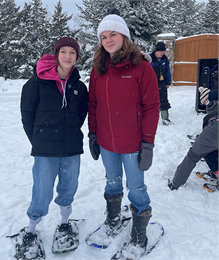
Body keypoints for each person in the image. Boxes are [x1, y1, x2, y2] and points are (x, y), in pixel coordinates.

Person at [87, 9, 160, 259]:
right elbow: (93, 104)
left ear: (124, 36)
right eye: (103, 36)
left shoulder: (141, 67)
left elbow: (152, 106)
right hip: (107, 142)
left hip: (133, 144)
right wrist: (92, 134)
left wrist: (148, 144)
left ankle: (139, 234)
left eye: (113, 34)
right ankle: (114, 217)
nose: (108, 40)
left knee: (136, 188)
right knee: (112, 182)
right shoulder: (98, 69)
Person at [20, 37, 88, 251]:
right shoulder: (36, 83)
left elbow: (81, 114)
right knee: (42, 191)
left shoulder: (79, 86)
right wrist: (38, 139)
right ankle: (31, 230)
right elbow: (27, 115)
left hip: (71, 149)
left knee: (69, 187)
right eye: (64, 52)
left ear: (77, 57)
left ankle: (65, 223)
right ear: (56, 55)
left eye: (72, 53)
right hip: (44, 150)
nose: (68, 57)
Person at [168, 88, 218, 192]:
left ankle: (176, 184)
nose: (205, 105)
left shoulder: (213, 102)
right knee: (212, 150)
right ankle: (215, 172)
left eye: (205, 102)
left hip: (214, 128)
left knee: (193, 156)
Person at [150, 42, 172, 125]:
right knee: (150, 102)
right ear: (156, 51)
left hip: (162, 83)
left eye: (163, 51)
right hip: (151, 84)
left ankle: (165, 118)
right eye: (161, 52)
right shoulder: (149, 58)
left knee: (163, 100)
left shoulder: (165, 59)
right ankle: (150, 119)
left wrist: (168, 82)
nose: (162, 53)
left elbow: (167, 71)